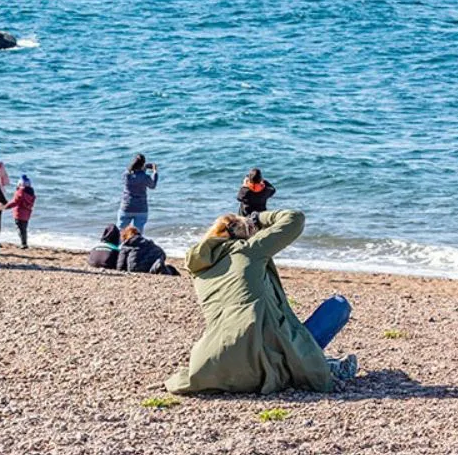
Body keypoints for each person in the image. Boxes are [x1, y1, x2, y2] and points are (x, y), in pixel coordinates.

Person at [165, 210, 357, 395]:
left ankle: (319, 360)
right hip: (262, 357)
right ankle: (324, 365)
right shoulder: (248, 250)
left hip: (213, 362)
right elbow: (294, 218)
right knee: (338, 305)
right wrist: (259, 217)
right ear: (247, 234)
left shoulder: (200, 270)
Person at [118, 154, 157, 233]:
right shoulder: (145, 177)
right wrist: (155, 172)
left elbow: (134, 174)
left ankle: (118, 244)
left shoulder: (126, 175)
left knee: (120, 232)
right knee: (137, 234)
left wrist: (144, 167)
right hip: (140, 209)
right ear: (143, 164)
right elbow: (152, 186)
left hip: (127, 207)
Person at [4, 175, 36, 249]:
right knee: (24, 228)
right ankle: (24, 242)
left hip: (19, 213)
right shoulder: (31, 193)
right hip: (27, 214)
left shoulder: (20, 192)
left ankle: (23, 244)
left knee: (19, 228)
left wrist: (6, 206)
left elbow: (15, 202)